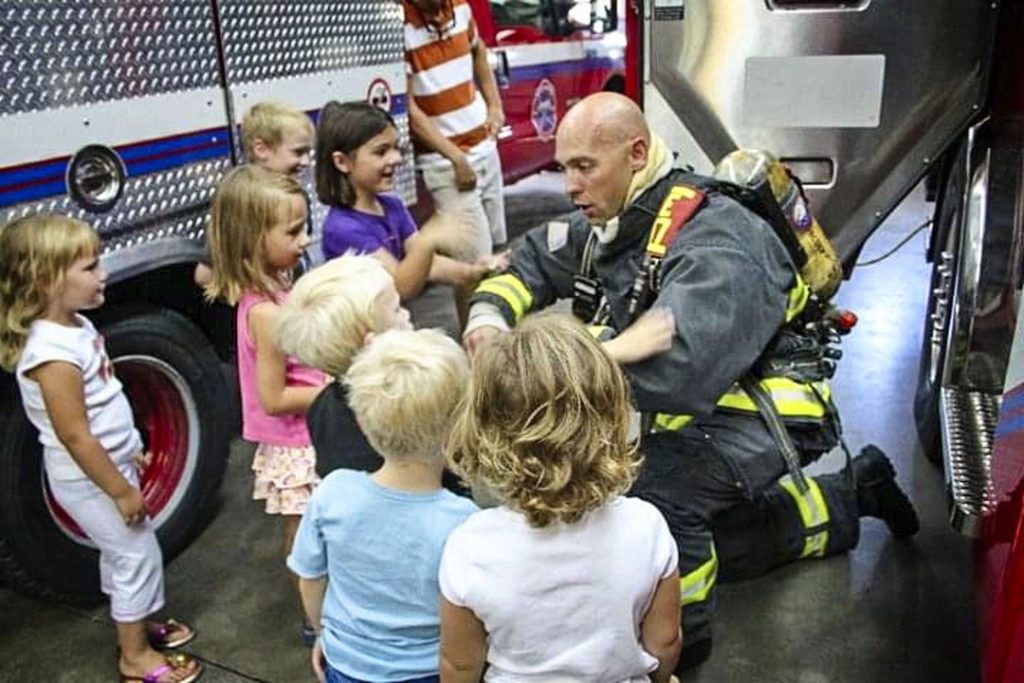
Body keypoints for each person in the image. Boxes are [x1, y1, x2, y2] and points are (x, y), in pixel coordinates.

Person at [463, 92, 920, 671]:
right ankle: (855, 493)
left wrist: (556, 362)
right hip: (700, 406)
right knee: (689, 533)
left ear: (635, 153)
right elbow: (531, 258)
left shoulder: (719, 238)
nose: (569, 186)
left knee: (657, 489)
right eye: (563, 168)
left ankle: (685, 634)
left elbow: (682, 368)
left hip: (768, 406)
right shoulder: (619, 219)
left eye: (584, 167)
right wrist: (487, 319)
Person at [0, 215, 202, 683]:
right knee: (136, 555)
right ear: (46, 282)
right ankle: (134, 656)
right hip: (91, 481)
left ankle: (138, 622)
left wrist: (128, 447)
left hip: (107, 470)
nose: (104, 273)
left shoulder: (75, 326)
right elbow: (75, 435)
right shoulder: (52, 355)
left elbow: (101, 409)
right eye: (90, 268)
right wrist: (120, 489)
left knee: (123, 552)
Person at [439, 313, 682, 682]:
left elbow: (461, 663)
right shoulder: (645, 527)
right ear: (612, 414)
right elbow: (664, 643)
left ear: (486, 429)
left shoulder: (470, 547)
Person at [288, 328, 478, 683]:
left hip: (346, 662)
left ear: (361, 420)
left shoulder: (332, 493)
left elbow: (309, 578)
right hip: (427, 669)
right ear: (460, 426)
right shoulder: (464, 523)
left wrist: (323, 633)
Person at [203, 164, 327, 645]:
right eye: (293, 231)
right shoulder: (268, 313)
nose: (304, 240)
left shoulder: (277, 290)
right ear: (253, 240)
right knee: (307, 536)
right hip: (297, 445)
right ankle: (314, 621)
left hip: (308, 435)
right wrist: (337, 391)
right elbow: (273, 397)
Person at [315, 100, 506, 329]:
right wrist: (429, 238)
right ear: (342, 162)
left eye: (396, 148)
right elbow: (401, 285)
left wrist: (470, 272)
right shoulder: (343, 229)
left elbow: (424, 263)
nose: (395, 158)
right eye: (381, 152)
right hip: (363, 335)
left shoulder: (392, 206)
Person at [274, 254, 410, 478]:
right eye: (397, 310)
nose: (407, 314)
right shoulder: (402, 404)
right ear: (374, 344)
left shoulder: (322, 406)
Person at [403, 0, 507, 257]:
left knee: (499, 250)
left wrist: (495, 106)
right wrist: (456, 158)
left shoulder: (461, 7)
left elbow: (478, 51)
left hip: (485, 148)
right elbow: (410, 110)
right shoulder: (399, 25)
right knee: (475, 263)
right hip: (445, 164)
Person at [195, 100, 315, 287]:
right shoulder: (243, 202)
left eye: (308, 152)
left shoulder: (295, 194)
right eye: (298, 152)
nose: (306, 161)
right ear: (261, 149)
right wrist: (259, 291)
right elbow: (204, 275)